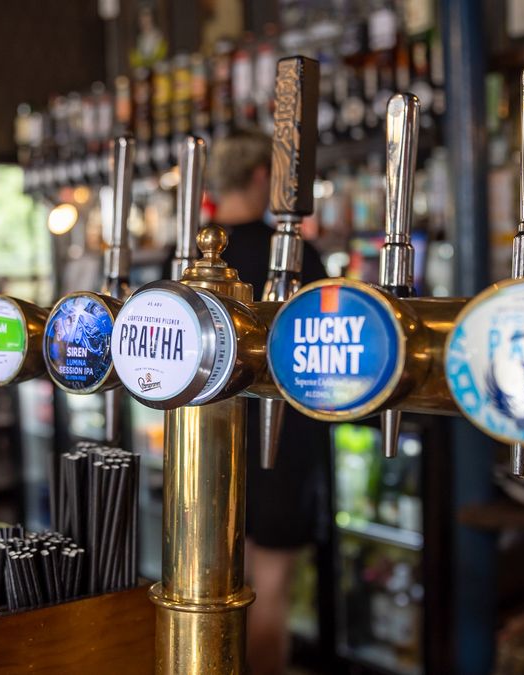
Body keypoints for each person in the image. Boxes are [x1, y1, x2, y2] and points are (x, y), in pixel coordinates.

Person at [176, 129, 331, 674]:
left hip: (206, 443)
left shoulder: (192, 264)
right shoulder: (294, 255)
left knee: (210, 580)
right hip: (281, 440)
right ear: (264, 177)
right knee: (270, 588)